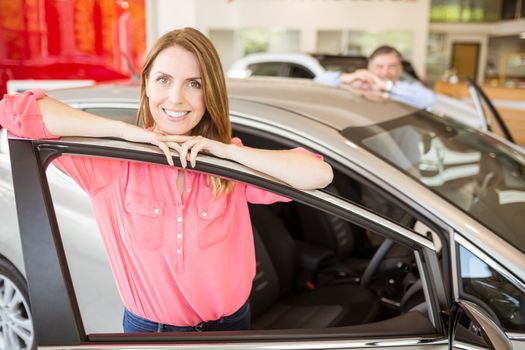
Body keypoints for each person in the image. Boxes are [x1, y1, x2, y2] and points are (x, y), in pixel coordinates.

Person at [0, 28, 333, 333]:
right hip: (152, 334)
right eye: (163, 80)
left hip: (231, 328)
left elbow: (319, 173)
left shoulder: (228, 163)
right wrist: (124, 132)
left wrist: (227, 153)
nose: (176, 98)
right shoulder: (111, 162)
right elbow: (13, 111)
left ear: (210, 94)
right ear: (145, 85)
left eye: (195, 83)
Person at [315, 45, 436, 109]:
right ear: (370, 67)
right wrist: (346, 78)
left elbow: (429, 99)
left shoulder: (406, 90)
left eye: (392, 66)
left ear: (400, 69)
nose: (385, 72)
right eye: (380, 66)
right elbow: (316, 83)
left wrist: (386, 86)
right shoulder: (358, 84)